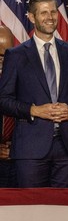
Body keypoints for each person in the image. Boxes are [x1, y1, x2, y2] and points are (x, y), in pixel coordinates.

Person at [0, 0, 68, 188]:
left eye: (53, 12)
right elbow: (4, 100)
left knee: (66, 210)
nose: (50, 17)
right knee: (32, 211)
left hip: (67, 148)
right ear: (32, 17)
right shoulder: (15, 55)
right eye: (43, 13)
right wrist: (34, 110)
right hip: (30, 149)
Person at [0, 26, 17, 188]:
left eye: (6, 54)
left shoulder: (26, 80)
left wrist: (17, 147)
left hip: (18, 162)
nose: (2, 59)